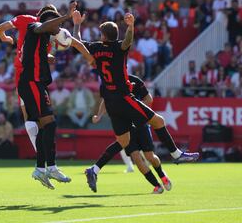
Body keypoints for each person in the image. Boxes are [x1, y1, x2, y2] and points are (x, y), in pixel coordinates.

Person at [72, 10, 199, 193]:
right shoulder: (117, 48)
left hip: (111, 103)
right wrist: (131, 26)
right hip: (123, 98)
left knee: (123, 142)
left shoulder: (96, 48)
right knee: (159, 121)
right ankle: (176, 154)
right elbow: (127, 42)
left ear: (103, 36)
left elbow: (78, 43)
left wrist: (77, 23)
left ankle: (94, 170)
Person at [17, 2, 95, 189]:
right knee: (49, 124)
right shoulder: (35, 27)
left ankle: (41, 168)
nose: (59, 28)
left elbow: (72, 41)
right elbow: (43, 26)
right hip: (30, 83)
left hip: (37, 85)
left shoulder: (47, 39)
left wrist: (76, 24)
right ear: (49, 22)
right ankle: (49, 167)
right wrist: (67, 16)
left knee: (46, 126)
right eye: (57, 24)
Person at [0, 4, 59, 187]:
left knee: (36, 117)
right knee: (33, 116)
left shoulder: (39, 30)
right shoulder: (31, 22)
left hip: (30, 75)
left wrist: (6, 38)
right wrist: (6, 39)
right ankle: (43, 161)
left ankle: (41, 164)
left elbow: (0, 30)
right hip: (25, 75)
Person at [90, 75, 172, 193]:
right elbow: (105, 100)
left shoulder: (135, 80)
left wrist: (137, 113)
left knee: (150, 157)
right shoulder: (107, 83)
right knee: (136, 158)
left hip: (141, 124)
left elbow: (148, 99)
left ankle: (162, 176)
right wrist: (99, 115)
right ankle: (157, 185)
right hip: (126, 126)